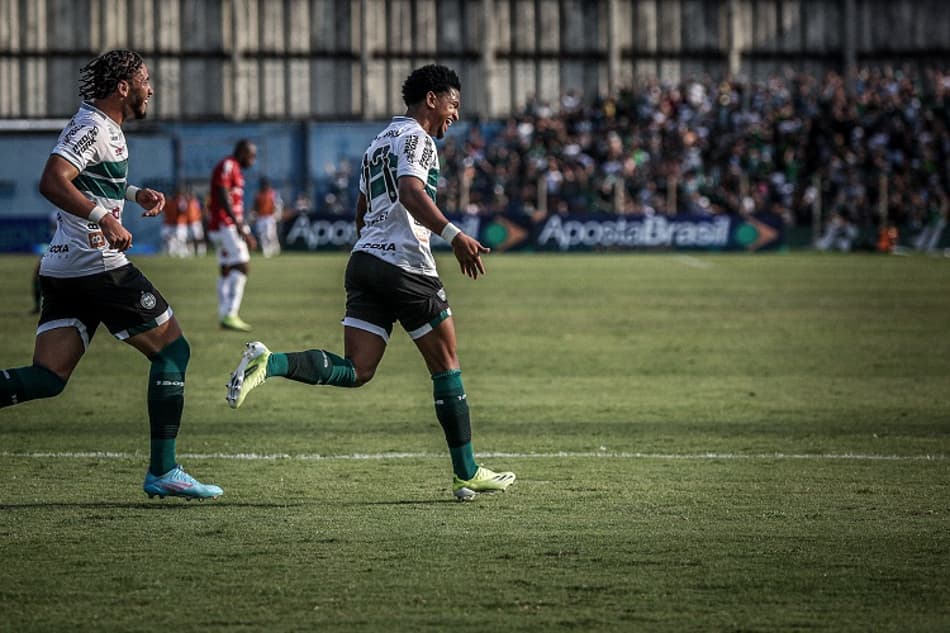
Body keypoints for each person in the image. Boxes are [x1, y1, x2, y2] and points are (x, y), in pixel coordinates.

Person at [226, 65, 515, 501]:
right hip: (405, 266)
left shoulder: (378, 142)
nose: (455, 116)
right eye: (453, 105)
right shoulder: (417, 138)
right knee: (446, 365)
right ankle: (466, 472)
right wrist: (454, 236)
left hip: (364, 261)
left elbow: (362, 212)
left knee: (358, 369)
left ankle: (272, 362)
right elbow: (412, 192)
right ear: (431, 99)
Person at [0, 49, 222, 500]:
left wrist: (134, 194)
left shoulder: (105, 129)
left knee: (48, 376)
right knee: (173, 352)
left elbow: (89, 178)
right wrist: (104, 217)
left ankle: (164, 470)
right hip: (96, 263)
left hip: (65, 267)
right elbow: (53, 180)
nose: (151, 89)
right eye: (145, 80)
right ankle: (164, 470)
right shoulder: (91, 126)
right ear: (124, 87)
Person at [208, 139, 257, 331]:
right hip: (225, 223)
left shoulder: (234, 167)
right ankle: (231, 313)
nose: (253, 160)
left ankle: (224, 315)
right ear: (242, 152)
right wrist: (238, 226)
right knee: (243, 265)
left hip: (222, 223)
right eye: (251, 155)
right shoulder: (229, 165)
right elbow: (221, 192)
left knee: (226, 267)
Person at [252, 177, 282, 257]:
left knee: (270, 234)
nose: (265, 187)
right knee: (262, 234)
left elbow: (277, 204)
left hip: (270, 217)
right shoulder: (258, 195)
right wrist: (253, 214)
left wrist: (277, 213)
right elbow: (255, 206)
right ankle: (266, 249)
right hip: (260, 217)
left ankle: (275, 247)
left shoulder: (272, 194)